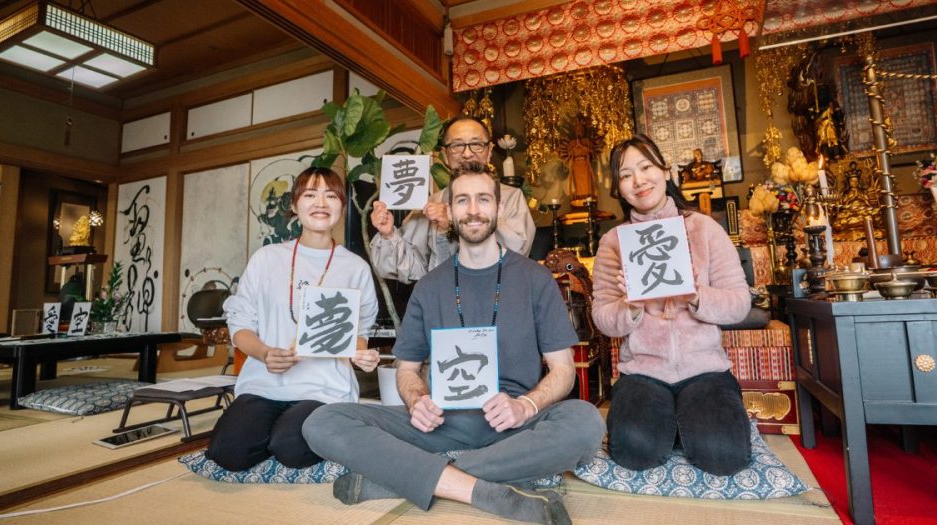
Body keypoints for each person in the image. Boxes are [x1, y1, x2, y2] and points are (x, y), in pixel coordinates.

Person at [303, 162, 605, 525]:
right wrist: (417, 401)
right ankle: (478, 489)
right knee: (323, 421)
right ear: (449, 209)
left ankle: (404, 481)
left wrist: (525, 406)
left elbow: (564, 369)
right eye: (462, 200)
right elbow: (407, 369)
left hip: (514, 424)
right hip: (442, 420)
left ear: (497, 207)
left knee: (585, 422)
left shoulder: (535, 279)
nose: (473, 210)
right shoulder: (429, 286)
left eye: (483, 199)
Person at [591, 134, 752, 475]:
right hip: (643, 372)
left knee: (724, 454)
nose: (638, 180)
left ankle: (684, 420)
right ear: (619, 188)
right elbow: (603, 317)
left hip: (704, 369)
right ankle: (673, 421)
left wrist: (696, 295)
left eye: (646, 167)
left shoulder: (704, 228)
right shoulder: (613, 242)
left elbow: (740, 303)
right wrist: (631, 306)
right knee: (633, 450)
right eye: (626, 175)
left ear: (666, 171)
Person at [206, 167, 381, 471]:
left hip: (324, 389)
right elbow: (240, 324)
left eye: (331, 196)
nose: (321, 203)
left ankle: (305, 430)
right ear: (295, 205)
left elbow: (360, 330)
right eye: (310, 195)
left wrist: (361, 354)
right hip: (264, 385)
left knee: (291, 449)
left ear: (341, 206)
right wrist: (265, 353)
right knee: (228, 452)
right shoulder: (266, 259)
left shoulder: (355, 268)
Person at [369, 115, 536, 284]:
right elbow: (414, 269)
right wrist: (388, 234)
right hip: (441, 296)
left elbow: (517, 254)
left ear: (489, 150)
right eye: (457, 146)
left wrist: (451, 224)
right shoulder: (430, 203)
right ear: (445, 154)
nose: (467, 153)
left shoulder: (511, 197)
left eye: (476, 144)